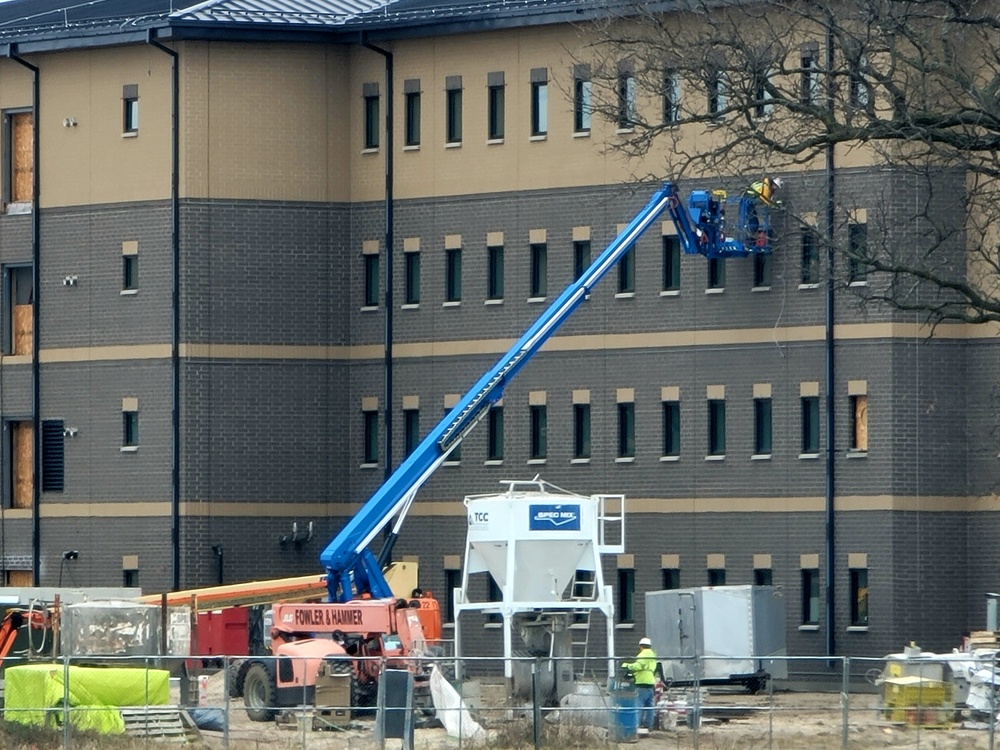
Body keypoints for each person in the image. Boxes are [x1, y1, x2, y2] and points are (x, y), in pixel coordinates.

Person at [623, 636, 658, 733]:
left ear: (641, 646)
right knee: (650, 706)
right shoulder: (653, 655)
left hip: (642, 682)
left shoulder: (643, 654)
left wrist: (626, 665)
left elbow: (638, 666)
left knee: (638, 705)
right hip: (651, 682)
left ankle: (636, 725)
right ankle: (649, 725)